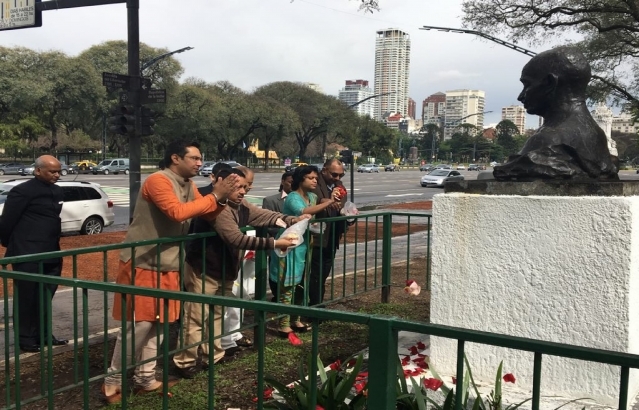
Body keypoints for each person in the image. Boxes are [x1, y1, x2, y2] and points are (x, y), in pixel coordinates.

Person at [101, 140, 239, 404]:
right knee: (139, 326)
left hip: (169, 265)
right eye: (194, 158)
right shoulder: (158, 180)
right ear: (176, 158)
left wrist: (221, 198)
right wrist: (214, 196)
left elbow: (207, 213)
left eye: (200, 159)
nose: (200, 163)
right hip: (142, 263)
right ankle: (112, 380)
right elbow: (177, 213)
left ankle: (145, 378)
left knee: (161, 324)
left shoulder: (188, 185)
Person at [174, 168, 305, 378]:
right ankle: (185, 361)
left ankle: (213, 355)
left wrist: (289, 220)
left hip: (224, 268)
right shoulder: (218, 206)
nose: (243, 191)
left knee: (217, 314)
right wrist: (274, 243)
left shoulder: (240, 205)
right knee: (196, 316)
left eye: (245, 187)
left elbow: (261, 215)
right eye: (238, 187)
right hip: (204, 268)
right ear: (223, 184)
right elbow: (236, 238)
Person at [494, 46, 618, 180]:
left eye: (527, 84)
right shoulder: (597, 135)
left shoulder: (547, 139)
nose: (521, 96)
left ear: (550, 83)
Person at [0, 155, 68, 353]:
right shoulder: (22, 191)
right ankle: (26, 338)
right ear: (38, 171)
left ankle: (44, 335)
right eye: (52, 172)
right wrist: (11, 244)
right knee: (27, 297)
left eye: (58, 171)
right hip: (27, 252)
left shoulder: (57, 191)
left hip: (51, 251)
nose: (57, 175)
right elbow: (7, 220)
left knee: (46, 295)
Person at [270, 166, 340, 340]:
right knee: (288, 285)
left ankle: (296, 319)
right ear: (301, 180)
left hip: (305, 244)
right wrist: (329, 201)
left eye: (316, 178)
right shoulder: (293, 197)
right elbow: (304, 212)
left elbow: (311, 218)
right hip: (290, 244)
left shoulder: (312, 197)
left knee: (302, 283)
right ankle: (283, 324)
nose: (315, 181)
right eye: (311, 178)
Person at [309, 159, 347, 307]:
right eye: (334, 174)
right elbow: (312, 199)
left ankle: (318, 301)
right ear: (324, 170)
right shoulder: (314, 182)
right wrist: (326, 201)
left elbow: (342, 204)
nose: (337, 178)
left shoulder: (338, 184)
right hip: (316, 236)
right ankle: (315, 304)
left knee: (324, 271)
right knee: (316, 272)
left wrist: (347, 215)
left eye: (341, 175)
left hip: (332, 235)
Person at [262, 171, 294, 299]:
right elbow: (268, 224)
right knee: (275, 272)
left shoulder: (302, 199)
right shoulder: (270, 200)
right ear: (283, 181)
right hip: (278, 243)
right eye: (290, 182)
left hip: (295, 245)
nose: (292, 185)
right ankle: (277, 296)